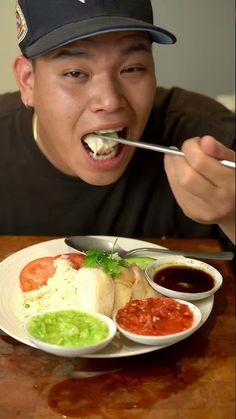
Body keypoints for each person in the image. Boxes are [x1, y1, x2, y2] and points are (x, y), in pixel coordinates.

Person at [0, 0, 235, 247]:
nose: (110, 101)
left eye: (132, 69)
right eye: (76, 73)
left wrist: (233, 216)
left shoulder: (211, 137)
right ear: (28, 81)